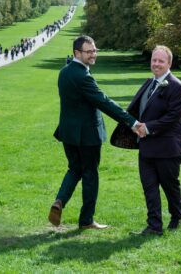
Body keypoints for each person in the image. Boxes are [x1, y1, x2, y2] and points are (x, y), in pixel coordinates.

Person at [48, 35, 140, 230]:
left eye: (95, 50)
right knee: (90, 175)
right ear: (77, 53)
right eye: (89, 52)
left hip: (68, 133)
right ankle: (87, 220)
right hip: (87, 135)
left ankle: (59, 201)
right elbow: (104, 102)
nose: (93, 54)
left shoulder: (64, 72)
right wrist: (131, 121)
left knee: (74, 169)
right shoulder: (83, 76)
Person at [111, 45, 181, 235]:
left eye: (161, 61)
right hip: (145, 147)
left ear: (169, 63)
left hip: (167, 148)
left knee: (170, 186)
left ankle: (176, 216)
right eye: (154, 60)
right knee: (149, 188)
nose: (156, 64)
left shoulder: (177, 86)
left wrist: (149, 128)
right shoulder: (148, 83)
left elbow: (174, 117)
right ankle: (154, 226)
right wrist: (134, 126)